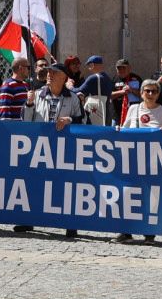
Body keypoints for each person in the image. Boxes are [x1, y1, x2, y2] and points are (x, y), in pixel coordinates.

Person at [27, 63, 85, 239]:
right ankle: (28, 220)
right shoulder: (37, 95)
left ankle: (69, 223)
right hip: (40, 148)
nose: (49, 75)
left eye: (54, 72)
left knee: (65, 187)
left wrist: (69, 120)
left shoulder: (72, 98)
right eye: (48, 72)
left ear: (64, 77)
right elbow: (26, 121)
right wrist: (29, 104)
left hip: (64, 149)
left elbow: (83, 122)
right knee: (35, 184)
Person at [114, 80, 162, 244]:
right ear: (141, 93)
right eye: (147, 91)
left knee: (151, 196)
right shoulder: (133, 109)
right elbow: (125, 130)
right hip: (132, 159)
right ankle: (126, 231)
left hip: (153, 161)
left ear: (158, 94)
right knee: (128, 194)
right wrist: (118, 130)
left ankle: (149, 232)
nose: (151, 94)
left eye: (154, 91)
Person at [76, 56, 112, 125]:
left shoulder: (93, 78)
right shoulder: (108, 79)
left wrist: (70, 86)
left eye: (90, 64)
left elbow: (79, 91)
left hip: (95, 114)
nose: (89, 67)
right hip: (106, 113)